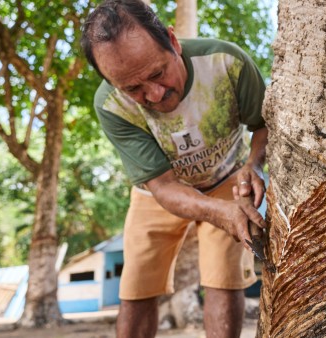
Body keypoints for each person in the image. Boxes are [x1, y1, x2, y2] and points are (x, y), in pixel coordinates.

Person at [80, 0, 268, 337]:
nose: (154, 94)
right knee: (136, 289)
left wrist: (253, 165)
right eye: (132, 88)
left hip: (227, 179)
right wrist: (214, 211)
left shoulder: (226, 61)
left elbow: (263, 125)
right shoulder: (109, 105)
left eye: (157, 73)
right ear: (111, 81)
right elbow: (163, 186)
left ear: (173, 41)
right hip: (156, 193)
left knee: (224, 280)